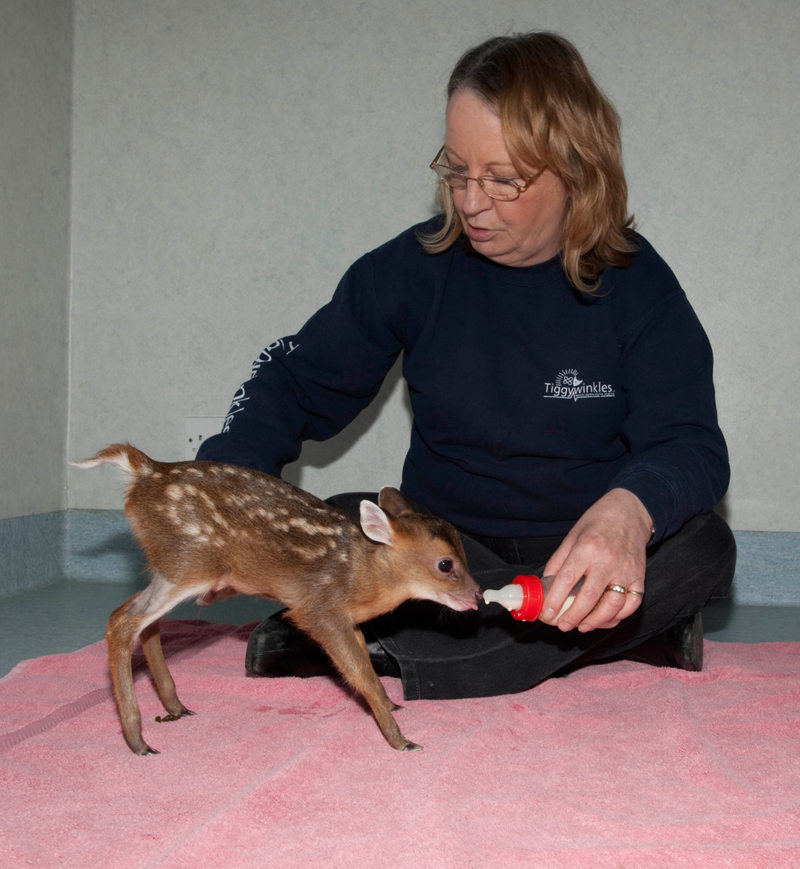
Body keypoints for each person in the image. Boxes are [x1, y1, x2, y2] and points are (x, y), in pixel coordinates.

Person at [197, 31, 736, 700]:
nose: (470, 201)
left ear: (575, 170)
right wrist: (226, 498)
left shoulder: (640, 285)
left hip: (580, 560)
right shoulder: (410, 270)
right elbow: (292, 381)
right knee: (339, 524)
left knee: (707, 546)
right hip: (451, 558)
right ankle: (604, 639)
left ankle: (385, 644)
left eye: (502, 179)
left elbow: (692, 445)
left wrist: (628, 513)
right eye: (456, 171)